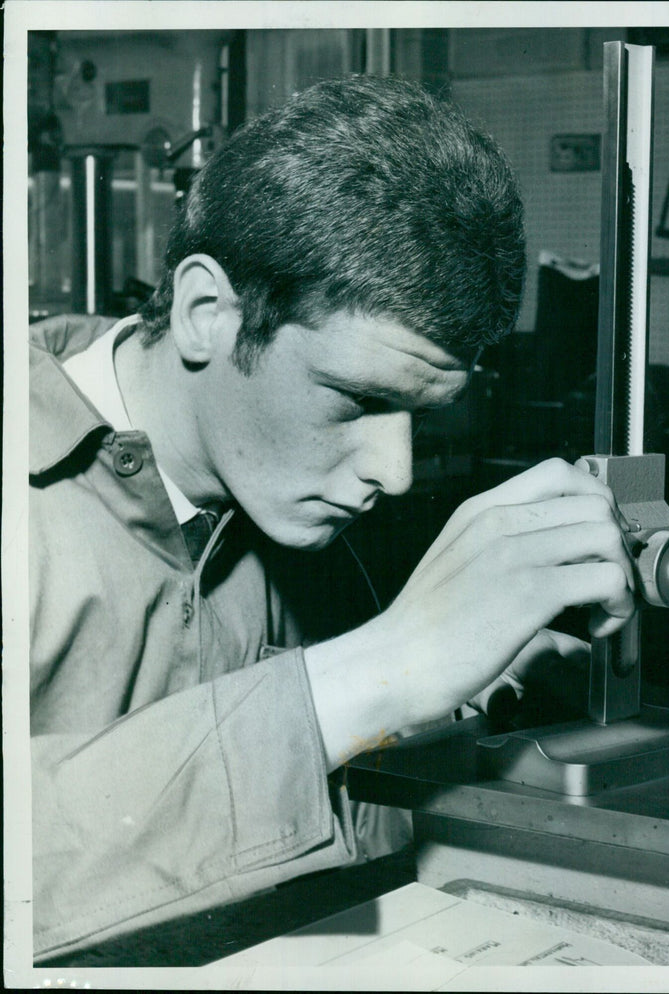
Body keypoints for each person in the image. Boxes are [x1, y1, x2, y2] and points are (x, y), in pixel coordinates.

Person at [29, 75, 635, 961]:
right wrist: (381, 668)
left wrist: (474, 691)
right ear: (208, 313)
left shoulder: (284, 508)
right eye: (353, 399)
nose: (392, 472)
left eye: (420, 417)